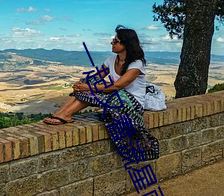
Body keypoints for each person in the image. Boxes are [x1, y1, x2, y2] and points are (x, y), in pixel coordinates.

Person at [43, 25, 159, 161]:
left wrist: (89, 87)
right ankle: (61, 113)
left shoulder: (136, 63)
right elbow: (97, 77)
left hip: (132, 104)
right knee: (86, 87)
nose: (112, 43)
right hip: (117, 97)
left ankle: (66, 114)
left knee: (91, 90)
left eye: (116, 41)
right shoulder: (111, 60)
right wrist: (81, 84)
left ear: (126, 44)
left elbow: (118, 85)